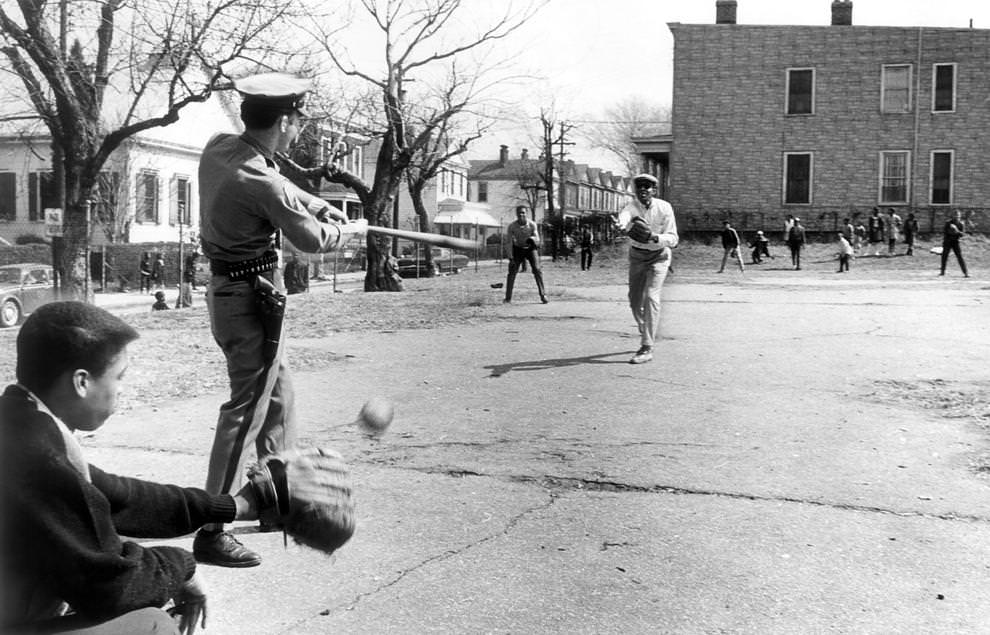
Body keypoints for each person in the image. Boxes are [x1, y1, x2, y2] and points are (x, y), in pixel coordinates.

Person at [0, 301, 269, 634]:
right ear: (82, 382)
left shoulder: (20, 419)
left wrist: (233, 507)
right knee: (151, 626)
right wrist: (182, 566)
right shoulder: (38, 456)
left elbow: (120, 497)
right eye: (119, 377)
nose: (121, 390)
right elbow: (110, 586)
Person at [196, 72, 362, 567]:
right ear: (285, 120)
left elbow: (288, 191)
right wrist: (344, 230)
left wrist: (320, 205)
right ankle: (212, 525)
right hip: (250, 300)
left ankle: (273, 492)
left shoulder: (221, 147)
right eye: (298, 121)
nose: (299, 130)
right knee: (246, 409)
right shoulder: (261, 182)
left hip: (240, 293)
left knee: (280, 394)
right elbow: (311, 241)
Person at [614, 173, 678, 365]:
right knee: (634, 301)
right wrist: (621, 225)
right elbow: (624, 218)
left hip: (659, 256)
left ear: (654, 190)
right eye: (639, 186)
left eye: (647, 186)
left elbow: (673, 239)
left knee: (651, 296)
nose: (643, 190)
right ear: (635, 190)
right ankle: (645, 326)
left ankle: (647, 346)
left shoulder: (664, 208)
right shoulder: (631, 207)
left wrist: (654, 237)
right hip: (637, 256)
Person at [503, 205, 548, 304]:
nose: (521, 215)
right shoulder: (512, 226)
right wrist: (511, 258)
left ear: (526, 214)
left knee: (537, 269)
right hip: (518, 249)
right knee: (512, 271)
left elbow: (538, 238)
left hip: (530, 249)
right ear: (516, 214)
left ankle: (543, 295)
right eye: (519, 213)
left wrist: (532, 239)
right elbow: (509, 242)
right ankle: (508, 298)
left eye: (523, 212)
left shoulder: (532, 224)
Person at [939, 210, 969, 277]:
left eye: (958, 215)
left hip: (956, 242)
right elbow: (945, 232)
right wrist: (951, 231)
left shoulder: (961, 224)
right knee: (944, 256)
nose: (956, 217)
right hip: (948, 241)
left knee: (960, 256)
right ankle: (942, 272)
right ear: (952, 216)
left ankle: (965, 272)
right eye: (955, 215)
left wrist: (956, 231)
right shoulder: (948, 223)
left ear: (960, 216)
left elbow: (962, 234)